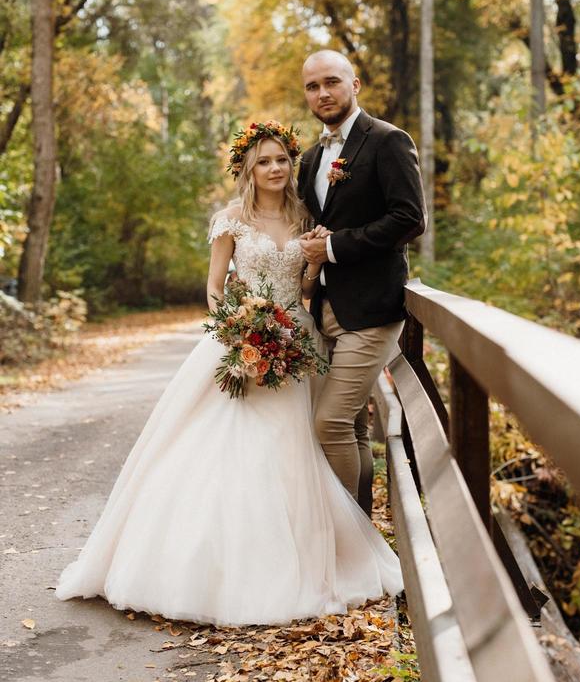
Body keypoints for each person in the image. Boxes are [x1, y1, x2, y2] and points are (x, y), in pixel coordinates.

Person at [54, 121, 403, 627]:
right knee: (228, 447)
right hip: (242, 337)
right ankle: (209, 568)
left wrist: (309, 264)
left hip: (297, 340)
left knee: (295, 449)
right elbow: (216, 288)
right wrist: (242, 331)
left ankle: (307, 555)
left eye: (282, 159)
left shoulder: (305, 215)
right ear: (248, 168)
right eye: (263, 161)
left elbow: (307, 285)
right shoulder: (230, 220)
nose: (276, 169)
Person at [298, 50, 426, 517]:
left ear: (356, 84)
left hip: (373, 309)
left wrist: (334, 247)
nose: (322, 93)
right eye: (312, 86)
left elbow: (410, 219)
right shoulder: (311, 158)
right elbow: (317, 220)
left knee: (327, 423)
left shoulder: (388, 141)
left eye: (331, 82)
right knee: (351, 428)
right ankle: (367, 534)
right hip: (327, 308)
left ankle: (348, 539)